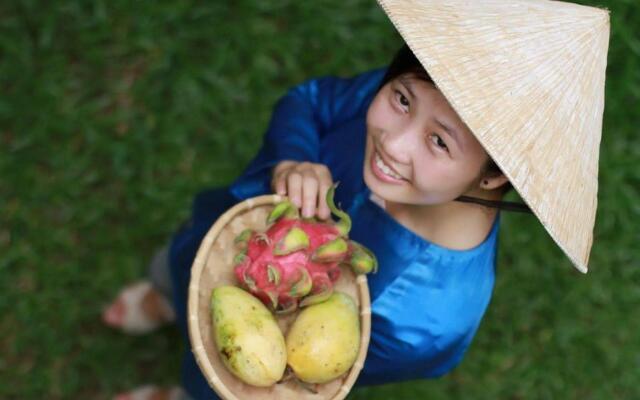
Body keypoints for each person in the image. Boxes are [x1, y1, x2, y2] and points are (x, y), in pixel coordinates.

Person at [104, 1, 609, 398]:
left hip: (260, 347)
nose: (394, 142)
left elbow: (297, 377)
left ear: (495, 174)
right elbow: (311, 102)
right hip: (228, 231)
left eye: (439, 142)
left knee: (225, 374)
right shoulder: (411, 100)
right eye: (402, 99)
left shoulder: (429, 319)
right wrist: (292, 157)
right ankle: (168, 294)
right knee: (188, 258)